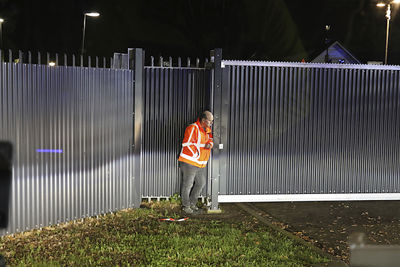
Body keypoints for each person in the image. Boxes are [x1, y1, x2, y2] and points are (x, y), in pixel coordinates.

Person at [178, 111, 213, 214]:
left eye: (212, 121)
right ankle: (186, 206)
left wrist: (210, 143)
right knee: (187, 185)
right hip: (190, 162)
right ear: (203, 120)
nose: (211, 123)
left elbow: (210, 139)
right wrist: (196, 154)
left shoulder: (207, 129)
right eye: (209, 121)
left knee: (201, 183)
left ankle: (192, 203)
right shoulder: (192, 128)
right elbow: (186, 144)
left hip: (199, 163)